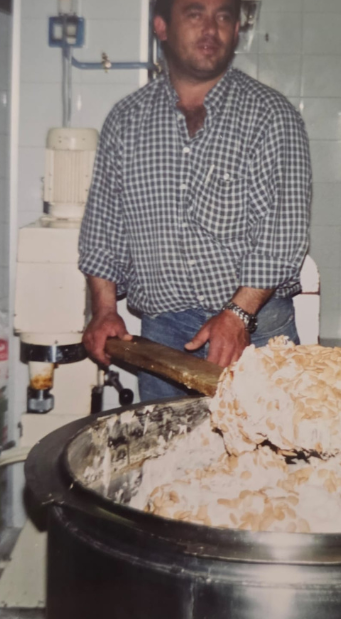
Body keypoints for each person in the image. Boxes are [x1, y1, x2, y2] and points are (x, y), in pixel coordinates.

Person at [78, 0, 312, 401]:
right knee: (170, 441)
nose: (210, 27)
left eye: (223, 15)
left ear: (235, 31)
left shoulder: (272, 116)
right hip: (163, 334)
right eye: (194, 12)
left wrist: (237, 315)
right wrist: (104, 311)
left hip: (256, 329)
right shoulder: (126, 121)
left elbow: (282, 236)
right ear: (162, 27)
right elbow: (103, 229)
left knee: (269, 441)